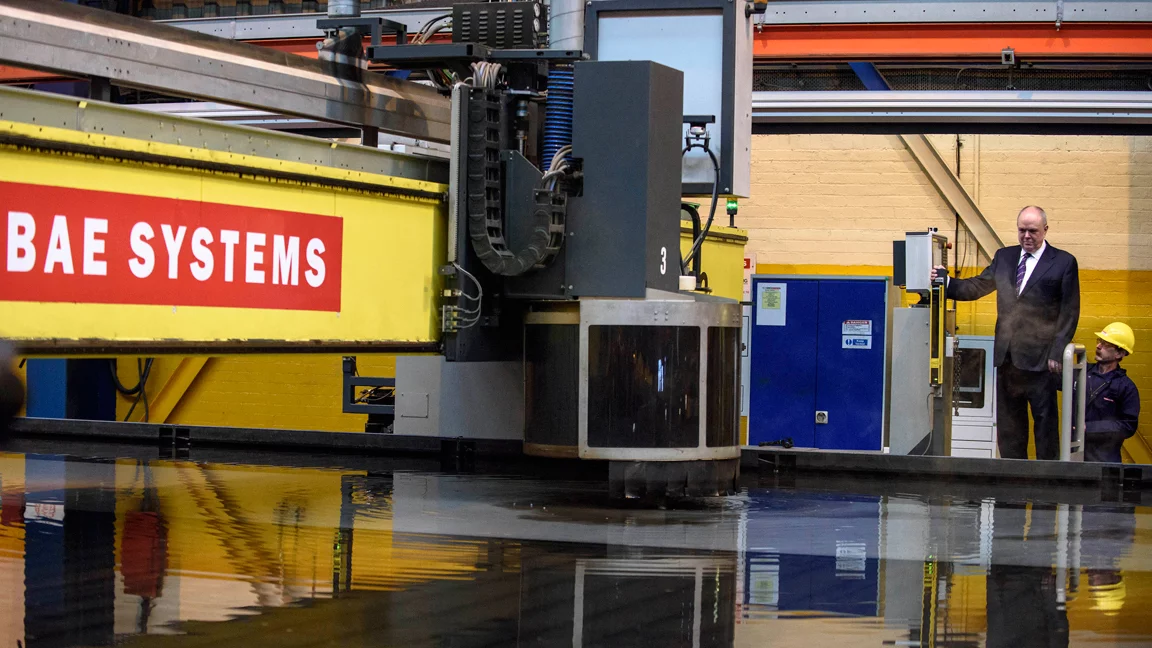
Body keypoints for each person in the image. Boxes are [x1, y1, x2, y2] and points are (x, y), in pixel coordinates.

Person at [932, 206, 1080, 460]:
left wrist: (1057, 351)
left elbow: (1070, 310)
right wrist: (946, 283)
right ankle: (1013, 479)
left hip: (1042, 361)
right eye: (1022, 230)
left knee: (1045, 426)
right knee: (1010, 428)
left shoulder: (1063, 262)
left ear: (1045, 229)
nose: (1026, 236)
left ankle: (1047, 483)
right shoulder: (1005, 257)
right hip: (1008, 359)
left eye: (1032, 231)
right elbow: (978, 286)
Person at [1081, 322, 1140, 463]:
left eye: (1106, 344)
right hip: (1076, 457)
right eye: (1099, 341)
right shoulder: (1080, 373)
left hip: (1106, 461)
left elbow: (1128, 426)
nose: (1098, 346)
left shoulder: (1126, 387)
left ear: (1120, 353)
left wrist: (1089, 428)